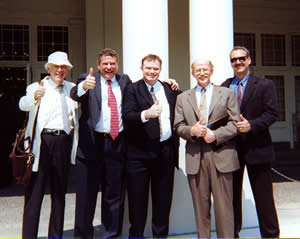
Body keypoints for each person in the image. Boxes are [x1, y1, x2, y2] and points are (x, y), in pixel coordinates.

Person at [174, 59, 240, 238]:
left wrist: (216, 135)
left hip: (221, 156)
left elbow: (236, 124)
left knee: (224, 208)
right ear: (193, 72)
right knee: (200, 208)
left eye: (205, 69)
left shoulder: (226, 93)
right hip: (196, 156)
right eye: (197, 70)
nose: (201, 73)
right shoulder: (183, 98)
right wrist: (192, 131)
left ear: (211, 70)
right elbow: (178, 126)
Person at [70, 48, 131, 239]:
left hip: (116, 143)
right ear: (98, 65)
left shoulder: (124, 81)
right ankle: (82, 234)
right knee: (86, 194)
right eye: (105, 63)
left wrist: (168, 83)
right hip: (92, 144)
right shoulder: (88, 79)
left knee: (113, 194)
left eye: (112, 63)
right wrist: (84, 87)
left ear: (117, 65)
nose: (109, 67)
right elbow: (75, 94)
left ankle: (111, 234)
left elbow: (141, 91)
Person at [19, 51, 79, 239]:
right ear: (49, 68)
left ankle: (56, 236)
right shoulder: (36, 87)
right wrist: (34, 97)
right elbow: (23, 105)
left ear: (68, 69)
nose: (59, 70)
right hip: (42, 143)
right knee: (34, 196)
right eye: (56, 67)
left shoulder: (72, 88)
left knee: (59, 194)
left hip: (63, 142)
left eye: (63, 67)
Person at [221, 46, 280, 238]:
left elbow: (272, 114)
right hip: (231, 149)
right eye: (234, 60)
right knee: (232, 197)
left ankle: (270, 235)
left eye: (241, 59)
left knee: (263, 197)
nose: (237, 62)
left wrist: (252, 125)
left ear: (249, 60)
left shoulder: (264, 85)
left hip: (258, 147)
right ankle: (234, 233)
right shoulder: (225, 85)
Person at [122, 54, 181, 238]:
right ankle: (136, 235)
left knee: (163, 201)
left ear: (160, 70)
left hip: (165, 152)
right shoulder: (132, 89)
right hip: (139, 154)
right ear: (142, 69)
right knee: (137, 202)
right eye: (148, 68)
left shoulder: (169, 89)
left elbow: (188, 101)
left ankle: (160, 236)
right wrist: (146, 114)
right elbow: (127, 116)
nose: (152, 72)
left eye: (155, 69)